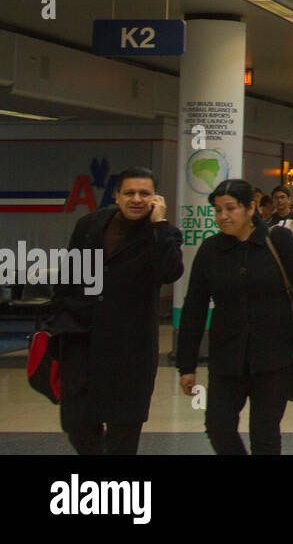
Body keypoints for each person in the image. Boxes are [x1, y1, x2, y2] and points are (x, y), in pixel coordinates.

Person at [178, 179, 293, 455]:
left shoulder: (277, 240)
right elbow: (194, 308)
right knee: (218, 426)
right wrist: (187, 364)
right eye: (218, 210)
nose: (223, 216)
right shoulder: (211, 250)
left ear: (251, 207)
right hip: (227, 358)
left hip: (275, 357)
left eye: (231, 209)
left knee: (264, 433)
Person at [49, 166, 183, 455]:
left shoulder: (162, 234)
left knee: (124, 431)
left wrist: (159, 225)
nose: (137, 199)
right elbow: (69, 277)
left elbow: (169, 272)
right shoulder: (90, 225)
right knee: (77, 425)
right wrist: (59, 318)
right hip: (82, 340)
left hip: (130, 349)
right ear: (117, 196)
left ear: (155, 198)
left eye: (144, 193)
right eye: (130, 193)